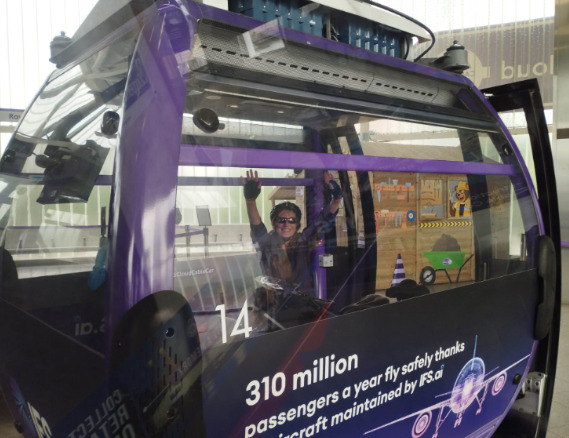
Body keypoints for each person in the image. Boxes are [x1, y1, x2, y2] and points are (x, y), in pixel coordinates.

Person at [241, 169, 343, 296]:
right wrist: (250, 201)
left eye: (292, 220)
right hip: (274, 301)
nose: (287, 224)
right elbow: (256, 225)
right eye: (281, 220)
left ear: (297, 224)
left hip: (302, 301)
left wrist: (337, 197)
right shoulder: (267, 243)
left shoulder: (303, 240)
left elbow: (324, 218)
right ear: (273, 223)